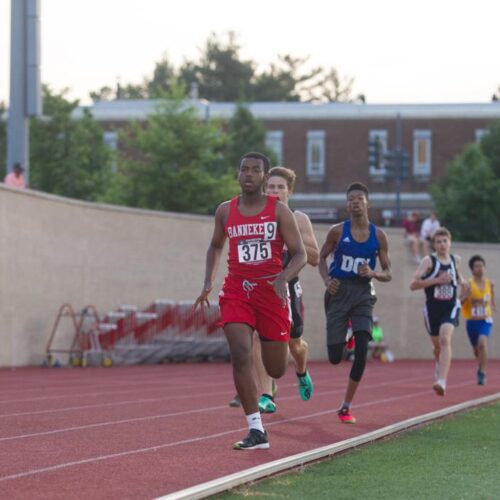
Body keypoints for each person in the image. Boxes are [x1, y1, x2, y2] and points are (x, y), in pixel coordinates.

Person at [194, 152, 306, 450]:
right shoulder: (225, 211)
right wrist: (208, 282)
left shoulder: (280, 212)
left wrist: (283, 278)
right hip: (237, 291)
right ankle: (256, 429)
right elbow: (215, 246)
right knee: (241, 352)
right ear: (237, 174)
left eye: (255, 170)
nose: (249, 174)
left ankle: (278, 379)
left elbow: (300, 254)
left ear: (265, 177)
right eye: (244, 169)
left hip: (271, 293)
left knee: (277, 366)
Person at [319, 182, 392, 424]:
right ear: (346, 204)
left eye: (359, 198)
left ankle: (346, 406)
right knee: (335, 357)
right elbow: (320, 259)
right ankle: (347, 333)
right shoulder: (337, 232)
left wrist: (373, 273)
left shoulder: (378, 235)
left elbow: (388, 273)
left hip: (362, 295)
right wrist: (327, 280)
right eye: (351, 198)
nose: (355, 202)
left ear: (367, 202)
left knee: (361, 353)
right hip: (338, 292)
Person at [249, 166, 320, 413]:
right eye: (271, 187)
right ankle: (267, 394)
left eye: (280, 187)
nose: (275, 191)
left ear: (289, 191)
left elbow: (314, 257)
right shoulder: (256, 216)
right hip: (262, 288)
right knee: (258, 337)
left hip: (288, 288)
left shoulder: (298, 218)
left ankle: (301, 371)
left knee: (294, 344)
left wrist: (292, 240)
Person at [409, 227, 466, 396]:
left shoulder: (456, 260)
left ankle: (442, 380)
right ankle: (438, 362)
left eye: (445, 241)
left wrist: (463, 282)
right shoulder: (429, 261)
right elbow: (413, 284)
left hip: (450, 306)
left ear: (450, 242)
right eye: (438, 242)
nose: (442, 245)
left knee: (445, 339)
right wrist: (437, 280)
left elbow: (457, 275)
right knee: (437, 346)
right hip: (432, 309)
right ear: (434, 244)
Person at [460, 255, 496, 385]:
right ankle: (480, 364)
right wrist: (466, 295)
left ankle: (482, 372)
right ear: (472, 269)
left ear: (484, 267)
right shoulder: (467, 284)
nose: (479, 268)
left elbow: (491, 300)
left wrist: (494, 308)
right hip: (471, 321)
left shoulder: (489, 283)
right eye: (476, 266)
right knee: (476, 349)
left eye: (481, 266)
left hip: (485, 320)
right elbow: (460, 302)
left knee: (482, 343)